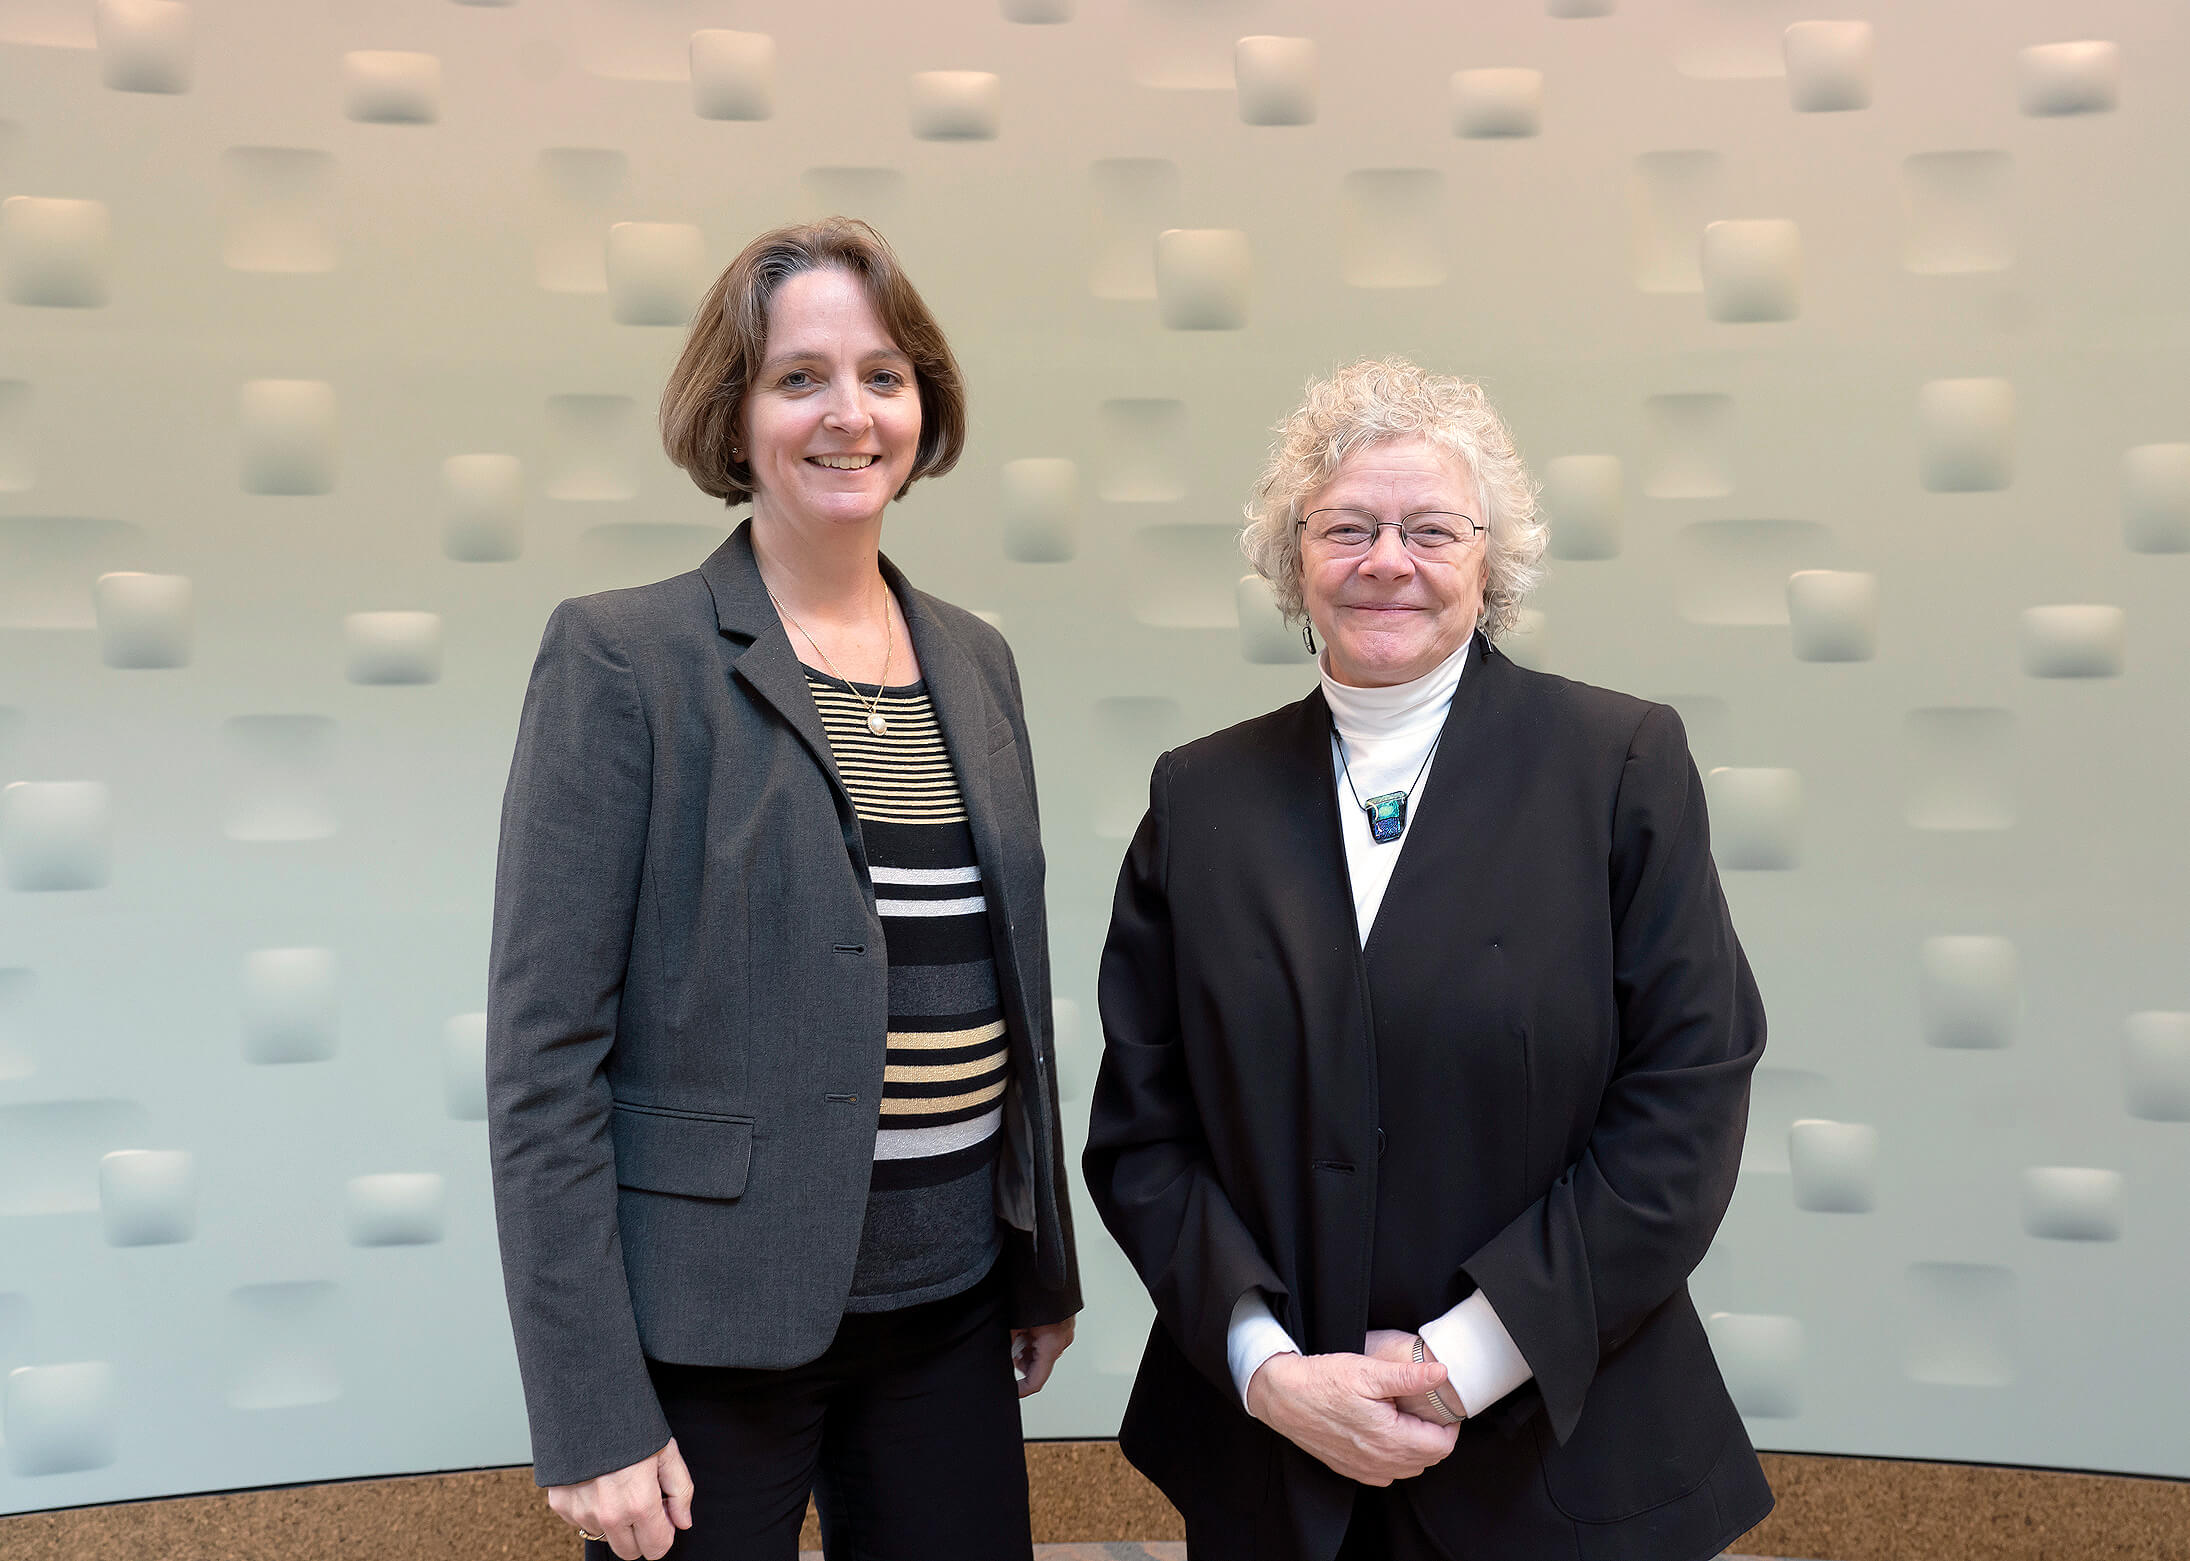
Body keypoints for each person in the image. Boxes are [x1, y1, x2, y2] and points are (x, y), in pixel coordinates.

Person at [1084, 357, 1773, 1560]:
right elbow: (1145, 1134)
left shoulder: (1617, 767)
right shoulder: (1201, 800)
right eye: (1347, 526)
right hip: (1277, 1465)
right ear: (1295, 556)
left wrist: (1461, 1359)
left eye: (1431, 529)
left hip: (1557, 1465)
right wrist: (1267, 1368)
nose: (1386, 560)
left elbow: (1685, 1106)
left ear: (1489, 560)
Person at [487, 217, 1080, 1561]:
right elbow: (543, 1060)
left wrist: (1037, 1257)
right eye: (799, 377)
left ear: (924, 407)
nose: (848, 414)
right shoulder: (624, 658)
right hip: (713, 1329)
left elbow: (1007, 981)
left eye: (883, 375)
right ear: (734, 413)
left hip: (951, 1311)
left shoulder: (973, 660)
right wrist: (589, 1409)